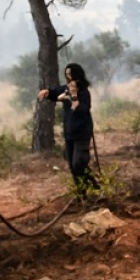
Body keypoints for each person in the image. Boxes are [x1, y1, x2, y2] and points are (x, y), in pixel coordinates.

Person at [37, 63, 97, 192]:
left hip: (82, 133)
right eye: (67, 75)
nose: (68, 78)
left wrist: (73, 97)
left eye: (70, 75)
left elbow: (82, 110)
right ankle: (82, 194)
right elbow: (55, 93)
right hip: (70, 133)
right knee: (72, 165)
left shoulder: (83, 92)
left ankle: (95, 189)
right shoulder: (65, 89)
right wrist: (47, 92)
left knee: (78, 163)